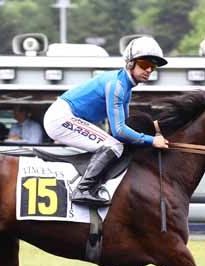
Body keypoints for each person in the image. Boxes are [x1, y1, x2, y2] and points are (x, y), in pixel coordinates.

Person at [43, 36, 170, 206]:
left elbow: (125, 125)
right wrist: (151, 140)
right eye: (144, 65)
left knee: (115, 145)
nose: (149, 70)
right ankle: (83, 190)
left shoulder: (126, 88)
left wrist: (156, 127)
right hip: (61, 117)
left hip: (67, 117)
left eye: (152, 67)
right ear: (130, 63)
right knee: (113, 146)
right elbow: (119, 131)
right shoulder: (117, 85)